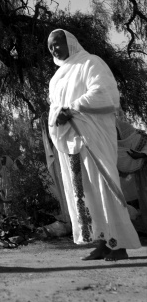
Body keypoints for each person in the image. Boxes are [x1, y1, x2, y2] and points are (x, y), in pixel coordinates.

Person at [47, 29, 141, 261]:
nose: (54, 49)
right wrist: (57, 115)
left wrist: (71, 109)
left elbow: (104, 93)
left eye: (57, 44)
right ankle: (101, 242)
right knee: (85, 195)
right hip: (71, 142)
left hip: (94, 139)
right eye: (50, 47)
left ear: (70, 42)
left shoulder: (90, 62)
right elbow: (53, 107)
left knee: (104, 189)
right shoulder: (57, 78)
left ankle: (119, 246)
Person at [116, 116, 147, 232]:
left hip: (144, 166)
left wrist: (142, 155)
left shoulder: (137, 137)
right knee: (144, 199)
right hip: (142, 172)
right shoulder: (119, 144)